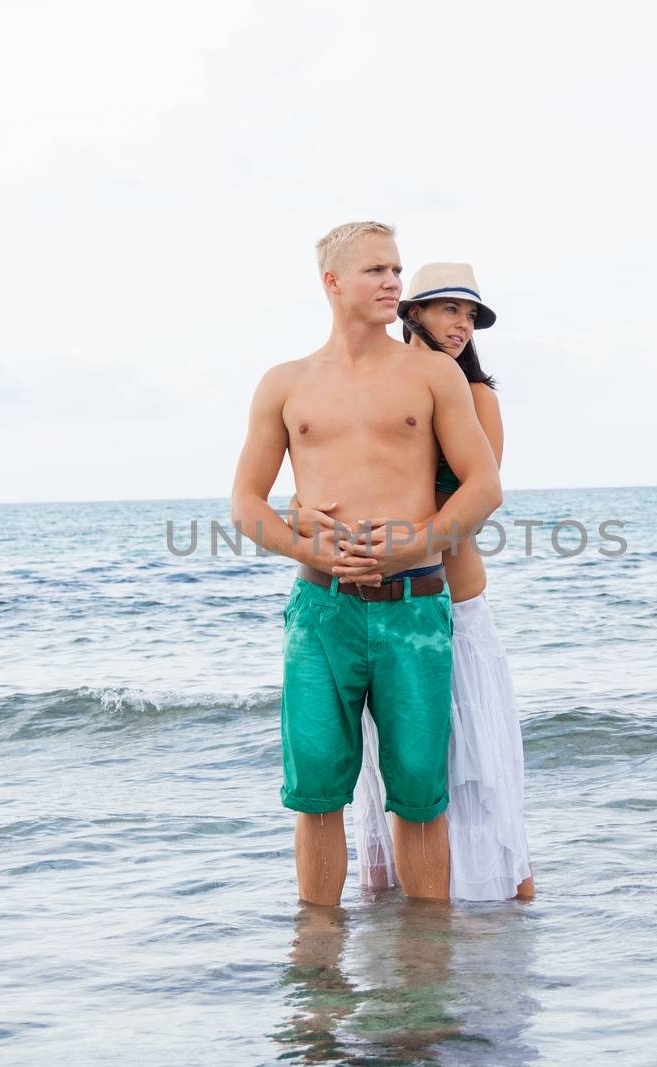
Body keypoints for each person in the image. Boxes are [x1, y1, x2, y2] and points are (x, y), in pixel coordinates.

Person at [229, 221, 503, 907]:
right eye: (376, 270)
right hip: (322, 612)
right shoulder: (285, 384)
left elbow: (484, 485)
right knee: (316, 788)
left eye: (395, 270)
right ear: (332, 282)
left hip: (414, 607)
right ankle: (317, 969)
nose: (391, 283)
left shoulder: (434, 374)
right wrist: (302, 543)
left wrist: (420, 541)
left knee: (418, 791)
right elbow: (244, 503)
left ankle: (424, 974)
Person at [288, 262, 534, 901]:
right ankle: (407, 904)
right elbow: (359, 468)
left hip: (444, 599)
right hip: (382, 600)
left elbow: (468, 496)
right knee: (399, 767)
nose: (461, 325)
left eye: (470, 315)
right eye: (448, 310)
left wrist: (398, 544)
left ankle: (501, 893)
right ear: (413, 312)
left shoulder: (472, 394)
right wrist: (301, 508)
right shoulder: (380, 384)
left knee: (469, 765)